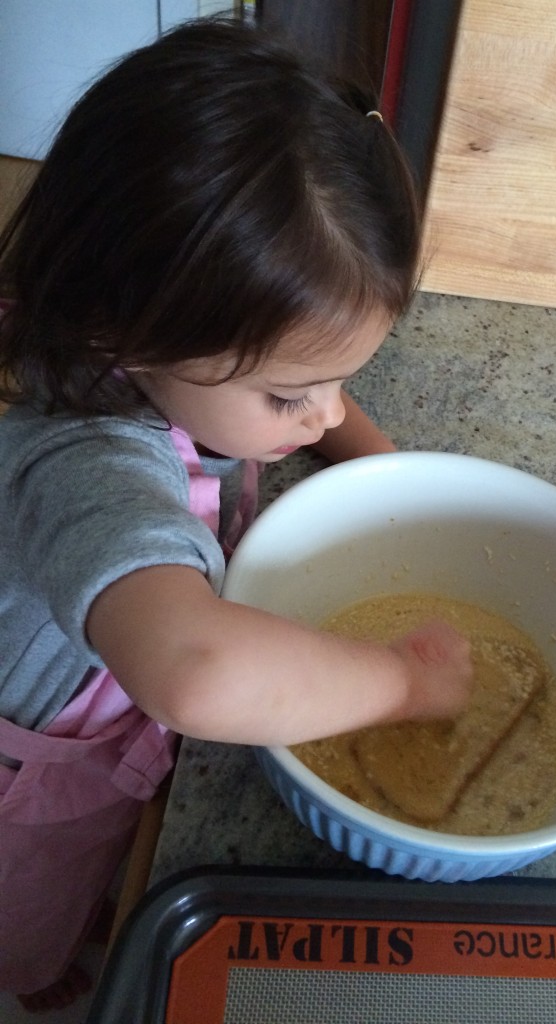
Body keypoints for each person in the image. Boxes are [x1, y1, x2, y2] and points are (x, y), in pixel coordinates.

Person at [0, 18, 472, 1012]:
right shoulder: (87, 464)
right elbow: (197, 670)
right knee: (35, 897)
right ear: (131, 329)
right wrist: (402, 682)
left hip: (109, 733)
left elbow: (303, 397)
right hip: (29, 788)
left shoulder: (178, 356)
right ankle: (35, 974)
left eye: (345, 380)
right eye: (292, 395)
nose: (326, 415)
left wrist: (386, 476)